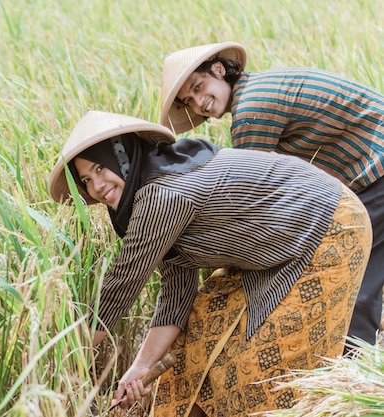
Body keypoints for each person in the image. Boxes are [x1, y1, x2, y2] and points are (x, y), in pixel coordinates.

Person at [48, 110, 371, 416]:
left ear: (123, 157)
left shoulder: (162, 193)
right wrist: (142, 366)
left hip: (327, 225)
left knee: (265, 367)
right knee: (196, 341)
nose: (97, 187)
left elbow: (123, 284)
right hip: (267, 248)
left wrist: (65, 357)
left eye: (101, 168)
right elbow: (177, 288)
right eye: (87, 180)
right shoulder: (146, 196)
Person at [160, 41, 384, 348]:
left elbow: (250, 206)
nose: (200, 101)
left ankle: (353, 372)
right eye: (190, 100)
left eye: (199, 87)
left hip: (377, 169)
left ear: (218, 70)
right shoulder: (260, 87)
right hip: (373, 170)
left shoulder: (251, 111)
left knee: (351, 272)